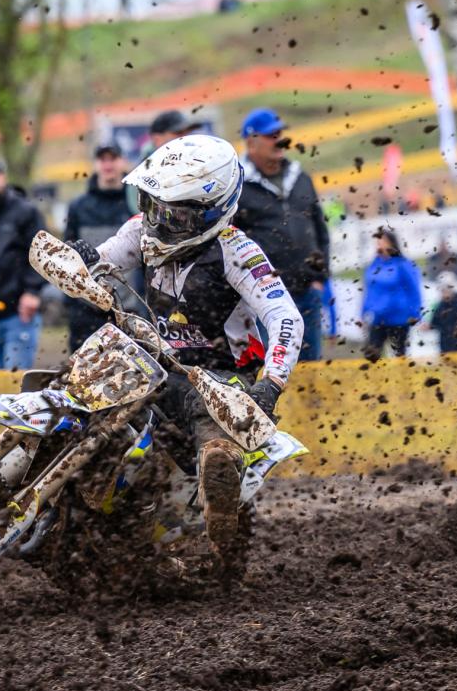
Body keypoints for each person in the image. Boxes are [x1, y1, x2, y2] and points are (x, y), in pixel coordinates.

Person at [72, 135, 304, 559]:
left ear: (211, 213)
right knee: (88, 384)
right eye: (153, 206)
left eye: (174, 216)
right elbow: (104, 261)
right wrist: (80, 260)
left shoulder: (237, 251)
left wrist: (271, 384)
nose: (159, 223)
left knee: (206, 409)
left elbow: (285, 317)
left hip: (221, 377)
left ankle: (220, 473)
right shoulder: (142, 230)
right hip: (156, 363)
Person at [233, 107, 331, 360]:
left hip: (307, 290)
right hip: (264, 296)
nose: (279, 140)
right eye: (271, 135)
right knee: (273, 365)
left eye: (280, 134)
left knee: (311, 366)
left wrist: (319, 277)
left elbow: (320, 229)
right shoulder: (237, 185)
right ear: (251, 142)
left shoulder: (301, 177)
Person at [0, 156, 47, 370]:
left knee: (15, 380)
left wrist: (32, 291)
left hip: (18, 312)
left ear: (1, 177)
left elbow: (42, 254)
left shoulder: (26, 212)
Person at [65, 143, 137, 351]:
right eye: (102, 159)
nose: (108, 164)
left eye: (113, 158)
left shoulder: (137, 203)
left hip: (129, 307)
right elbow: (68, 255)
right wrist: (71, 303)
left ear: (123, 162)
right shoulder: (78, 207)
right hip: (86, 307)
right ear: (96, 164)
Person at [361, 227, 423, 358]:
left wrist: (416, 314)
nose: (379, 245)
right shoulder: (373, 265)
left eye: (382, 241)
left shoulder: (403, 265)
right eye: (377, 242)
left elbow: (413, 290)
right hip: (378, 319)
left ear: (391, 243)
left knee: (400, 356)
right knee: (371, 355)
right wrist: (363, 312)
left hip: (399, 319)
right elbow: (369, 291)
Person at [424, 272, 457, 354]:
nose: (444, 292)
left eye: (446, 289)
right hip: (444, 346)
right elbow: (435, 322)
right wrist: (428, 327)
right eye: (442, 290)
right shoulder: (440, 306)